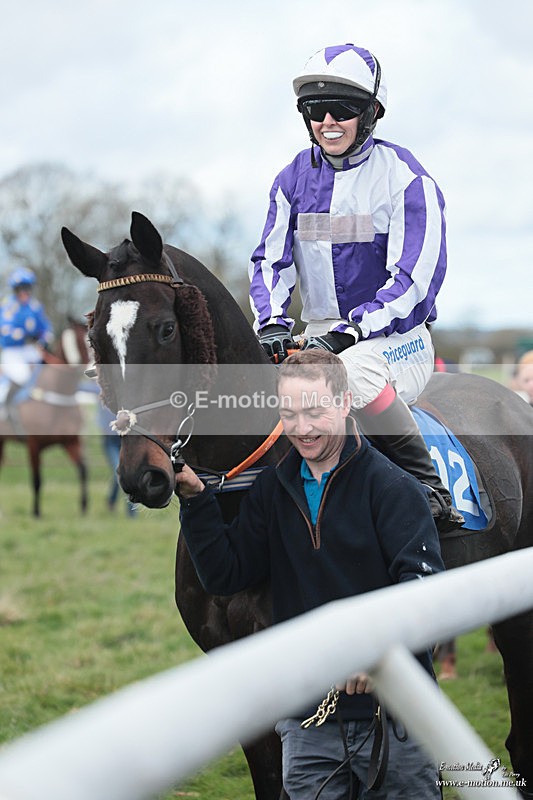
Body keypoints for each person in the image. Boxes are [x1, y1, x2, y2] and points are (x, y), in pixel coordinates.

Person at [176, 350, 444, 799]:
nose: (302, 428)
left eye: (315, 411)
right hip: (308, 723)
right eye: (290, 414)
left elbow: (424, 592)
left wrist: (376, 651)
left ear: (343, 403)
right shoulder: (271, 490)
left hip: (398, 720)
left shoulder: (396, 489)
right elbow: (226, 574)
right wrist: (197, 499)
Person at [249, 42, 463, 533]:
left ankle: (427, 486)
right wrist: (273, 323)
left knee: (350, 372)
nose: (327, 120)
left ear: (371, 113)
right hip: (317, 334)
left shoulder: (407, 178)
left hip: (394, 340)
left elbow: (414, 283)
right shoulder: (291, 180)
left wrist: (349, 332)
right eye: (313, 109)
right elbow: (269, 260)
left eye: (342, 109)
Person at [0, 267, 53, 407]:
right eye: (20, 289)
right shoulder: (8, 306)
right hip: (13, 352)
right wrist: (25, 335)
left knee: (47, 374)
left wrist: (44, 339)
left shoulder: (35, 307)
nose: (23, 292)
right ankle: (7, 407)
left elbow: (46, 329)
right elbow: (6, 331)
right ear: (15, 290)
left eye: (26, 288)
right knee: (22, 375)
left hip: (31, 350)